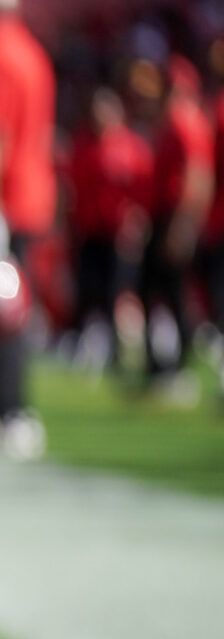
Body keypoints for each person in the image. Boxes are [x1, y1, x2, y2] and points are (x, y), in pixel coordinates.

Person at [0, 0, 54, 459]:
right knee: (10, 307)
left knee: (1, 312)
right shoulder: (33, 53)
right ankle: (10, 408)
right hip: (29, 194)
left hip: (3, 197)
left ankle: (10, 409)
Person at [135, 55, 213, 401]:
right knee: (153, 291)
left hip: (174, 216)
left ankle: (176, 368)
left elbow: (197, 176)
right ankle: (159, 366)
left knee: (174, 295)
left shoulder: (185, 123)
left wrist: (183, 225)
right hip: (162, 215)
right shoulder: (169, 124)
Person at [64, 87, 148, 375]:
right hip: (90, 231)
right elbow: (73, 189)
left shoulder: (130, 147)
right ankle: (84, 347)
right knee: (88, 291)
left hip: (117, 233)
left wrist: (134, 225)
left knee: (117, 293)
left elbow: (141, 191)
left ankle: (119, 353)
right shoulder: (84, 145)